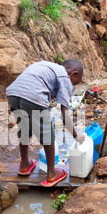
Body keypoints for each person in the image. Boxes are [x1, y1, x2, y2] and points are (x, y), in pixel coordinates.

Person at [6, 59, 85, 187]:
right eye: (74, 83)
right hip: (34, 97)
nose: (72, 86)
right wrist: (76, 136)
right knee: (48, 135)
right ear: (73, 74)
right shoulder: (65, 76)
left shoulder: (45, 65)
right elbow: (64, 114)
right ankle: (52, 173)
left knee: (24, 130)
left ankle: (24, 164)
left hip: (13, 94)